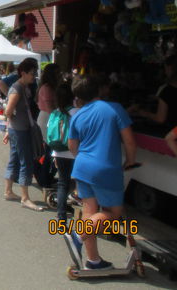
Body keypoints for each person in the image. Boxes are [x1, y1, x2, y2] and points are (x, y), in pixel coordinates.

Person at [65, 75, 137, 271]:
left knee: (89, 213)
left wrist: (83, 159)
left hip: (82, 166)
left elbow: (72, 145)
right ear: (99, 90)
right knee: (113, 213)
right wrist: (130, 161)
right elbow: (129, 141)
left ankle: (94, 261)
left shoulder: (78, 114)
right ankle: (77, 236)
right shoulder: (114, 109)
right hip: (106, 167)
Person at [2, 58, 43, 212]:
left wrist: (9, 128)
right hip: (20, 130)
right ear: (24, 73)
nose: (34, 75)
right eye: (33, 73)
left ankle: (8, 191)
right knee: (26, 161)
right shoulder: (18, 88)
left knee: (15, 159)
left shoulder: (23, 87)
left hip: (17, 129)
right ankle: (25, 198)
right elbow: (8, 111)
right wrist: (11, 124)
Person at [49, 83, 78, 221]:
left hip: (58, 152)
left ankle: (61, 216)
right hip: (74, 152)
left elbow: (51, 133)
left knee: (62, 182)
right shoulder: (76, 112)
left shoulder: (55, 112)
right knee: (77, 181)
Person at [131, 55, 177, 128]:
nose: (165, 72)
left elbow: (160, 119)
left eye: (165, 69)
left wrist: (144, 113)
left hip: (171, 132)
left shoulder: (167, 91)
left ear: (170, 68)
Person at [36, 63, 61, 140]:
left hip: (49, 117)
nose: (60, 75)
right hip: (47, 118)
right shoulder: (47, 88)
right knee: (49, 144)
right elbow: (50, 108)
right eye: (58, 73)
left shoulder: (51, 86)